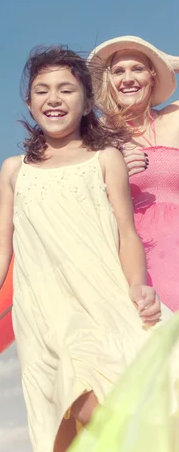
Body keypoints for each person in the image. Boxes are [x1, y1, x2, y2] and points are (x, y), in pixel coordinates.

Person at [0, 45, 169, 452]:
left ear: (87, 101)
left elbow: (127, 232)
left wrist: (137, 286)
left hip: (101, 302)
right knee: (55, 432)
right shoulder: (14, 171)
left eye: (66, 89)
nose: (53, 98)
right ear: (29, 103)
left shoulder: (105, 160)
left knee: (93, 396)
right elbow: (0, 248)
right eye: (42, 90)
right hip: (40, 314)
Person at [88, 36, 179, 311]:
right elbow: (79, 201)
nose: (128, 78)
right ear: (108, 82)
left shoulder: (175, 116)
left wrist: (171, 63)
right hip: (132, 255)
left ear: (153, 76)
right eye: (118, 71)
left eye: (138, 69)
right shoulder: (95, 135)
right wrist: (113, 179)